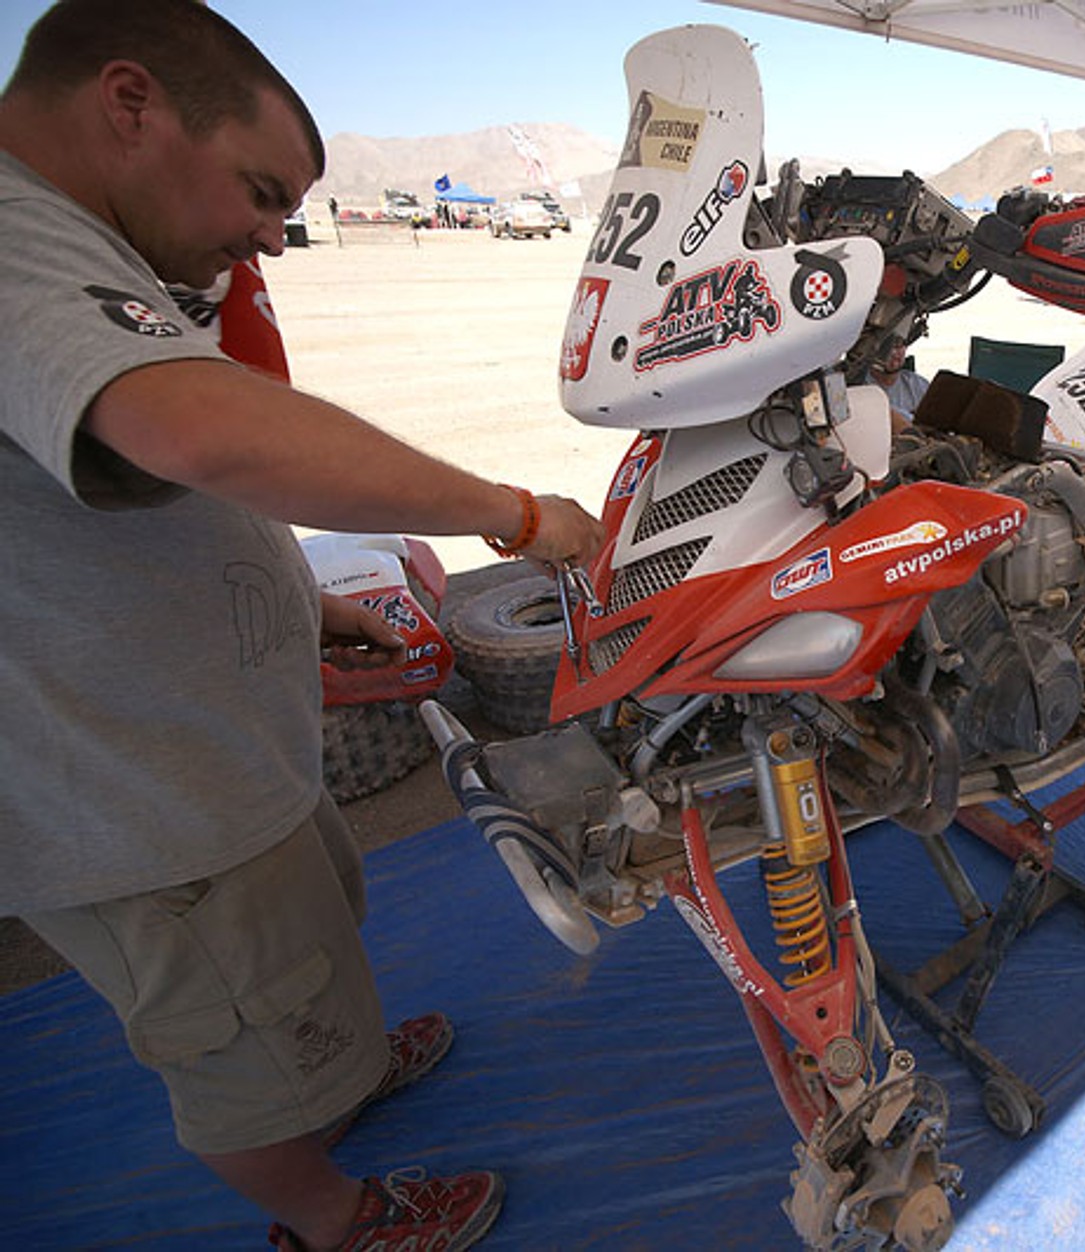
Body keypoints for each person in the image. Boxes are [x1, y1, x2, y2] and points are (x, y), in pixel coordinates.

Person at [0, 3, 604, 1249]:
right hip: (139, 804)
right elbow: (202, 432)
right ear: (130, 102)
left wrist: (295, 602)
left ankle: (334, 1066)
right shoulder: (15, 239)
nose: (273, 234)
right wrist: (511, 513)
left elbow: (125, 489)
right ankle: (330, 1216)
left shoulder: (81, 237)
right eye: (262, 191)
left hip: (210, 751)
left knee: (300, 956)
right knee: (235, 1040)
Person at [870, 336, 929, 424]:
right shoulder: (860, 386)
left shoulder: (919, 385)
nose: (893, 352)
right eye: (885, 347)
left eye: (898, 345)